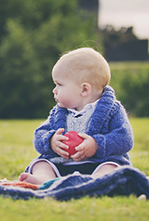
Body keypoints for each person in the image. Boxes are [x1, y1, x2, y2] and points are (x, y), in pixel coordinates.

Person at [18, 48, 133, 185]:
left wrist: (96, 145)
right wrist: (51, 141)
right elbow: (39, 134)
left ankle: (97, 180)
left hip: (98, 163)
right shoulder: (58, 113)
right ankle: (44, 179)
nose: (54, 90)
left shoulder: (112, 110)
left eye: (59, 84)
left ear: (84, 89)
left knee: (113, 167)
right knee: (41, 163)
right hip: (62, 166)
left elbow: (125, 138)